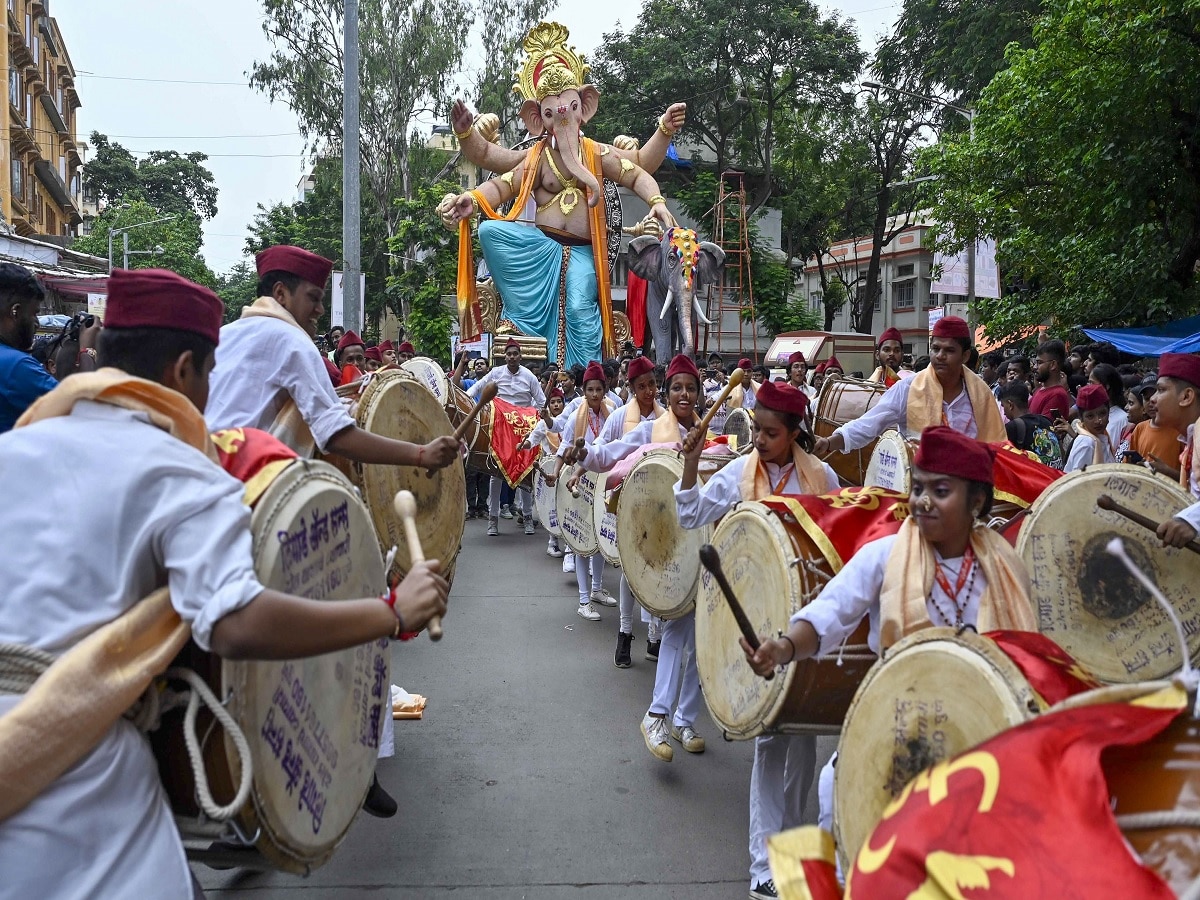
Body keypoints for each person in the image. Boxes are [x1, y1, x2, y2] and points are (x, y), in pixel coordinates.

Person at [0, 267, 450, 898]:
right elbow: (234, 623)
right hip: (79, 789)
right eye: (210, 374)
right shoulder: (184, 473)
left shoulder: (13, 450)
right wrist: (389, 612)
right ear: (185, 370)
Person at [741, 426, 1036, 844]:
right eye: (917, 488)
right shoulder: (886, 554)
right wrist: (785, 646)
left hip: (977, 741)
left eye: (940, 490)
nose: (922, 501)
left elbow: (1028, 657)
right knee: (842, 806)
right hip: (892, 728)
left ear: (977, 501)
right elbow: (831, 612)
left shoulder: (1005, 568)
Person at [672, 379, 839, 900]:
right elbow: (689, 512)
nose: (761, 441)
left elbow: (838, 539)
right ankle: (762, 865)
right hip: (755, 624)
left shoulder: (823, 477)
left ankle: (791, 851)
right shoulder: (739, 473)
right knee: (771, 740)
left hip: (807, 621)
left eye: (771, 433)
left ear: (794, 433)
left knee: (804, 741)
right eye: (757, 431)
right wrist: (690, 461)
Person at [206, 246, 459, 475]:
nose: (320, 310)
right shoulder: (292, 340)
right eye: (313, 298)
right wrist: (420, 454)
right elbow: (335, 434)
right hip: (240, 490)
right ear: (280, 293)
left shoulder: (223, 336)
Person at [577, 355, 715, 763]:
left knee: (701, 637)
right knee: (675, 630)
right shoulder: (652, 430)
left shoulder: (714, 435)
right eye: (677, 388)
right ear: (668, 393)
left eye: (690, 388)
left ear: (698, 392)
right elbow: (611, 457)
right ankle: (656, 715)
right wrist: (581, 453)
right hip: (666, 543)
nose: (684, 394)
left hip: (705, 543)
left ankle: (685, 719)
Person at [814, 316, 1006, 458]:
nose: (940, 356)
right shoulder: (908, 388)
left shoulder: (981, 393)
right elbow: (867, 425)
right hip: (920, 488)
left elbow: (996, 443)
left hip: (968, 490)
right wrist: (829, 442)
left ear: (965, 356)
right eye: (936, 348)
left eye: (949, 350)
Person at [588, 355, 664, 666]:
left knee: (658, 567)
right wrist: (581, 465)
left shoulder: (666, 417)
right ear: (632, 389)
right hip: (627, 502)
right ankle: (624, 632)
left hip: (659, 504)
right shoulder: (619, 417)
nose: (649, 391)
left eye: (653, 385)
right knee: (631, 570)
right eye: (642, 386)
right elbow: (603, 450)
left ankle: (655, 637)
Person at [545, 361, 616, 620]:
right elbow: (564, 449)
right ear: (584, 391)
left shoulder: (614, 411)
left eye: (599, 389)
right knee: (580, 539)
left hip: (605, 480)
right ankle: (584, 601)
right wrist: (555, 472)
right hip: (579, 482)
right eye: (590, 389)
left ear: (605, 389)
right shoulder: (576, 416)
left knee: (599, 538)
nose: (595, 394)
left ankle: (597, 589)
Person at [1, 265, 99, 433]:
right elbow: (86, 412)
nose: (37, 323)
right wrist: (88, 349)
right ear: (15, 312)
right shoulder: (15, 366)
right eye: (33, 313)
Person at [468, 337, 546, 536]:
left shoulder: (529, 376)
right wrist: (466, 399)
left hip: (522, 430)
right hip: (500, 428)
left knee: (525, 471)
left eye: (515, 354)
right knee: (496, 474)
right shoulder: (495, 373)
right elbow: (478, 387)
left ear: (520, 356)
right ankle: (492, 521)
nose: (512, 357)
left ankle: (528, 517)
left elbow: (541, 402)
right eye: (509, 354)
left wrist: (530, 416)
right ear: (505, 356)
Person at [1154, 354, 1200, 547]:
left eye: (1161, 390)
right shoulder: (1191, 439)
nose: (1153, 399)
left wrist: (1192, 520)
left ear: (1186, 396)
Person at [1000, 381, 1064, 469]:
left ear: (1010, 405)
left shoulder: (1011, 428)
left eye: (1004, 406)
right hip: (1057, 477)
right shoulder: (1046, 421)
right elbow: (1061, 453)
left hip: (1039, 480)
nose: (1004, 413)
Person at [1064, 383, 1115, 472]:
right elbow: (1079, 481)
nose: (1098, 420)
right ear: (1081, 418)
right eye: (1090, 416)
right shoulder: (1086, 443)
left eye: (1102, 413)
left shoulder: (1102, 436)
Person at [1030, 339, 1074, 422]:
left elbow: (1042, 430)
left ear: (1053, 365)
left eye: (1039, 362)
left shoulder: (1057, 395)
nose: (1035, 367)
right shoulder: (1040, 389)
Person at [1089, 362, 1128, 450]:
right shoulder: (1089, 414)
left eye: (1092, 383)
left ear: (1106, 386)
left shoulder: (1122, 419)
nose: (1088, 387)